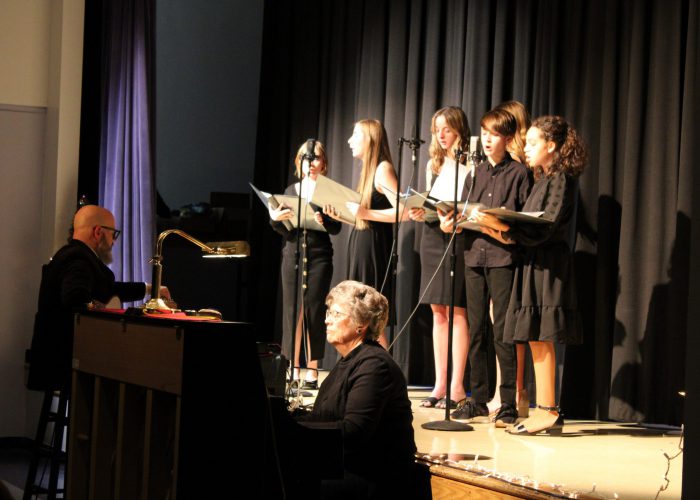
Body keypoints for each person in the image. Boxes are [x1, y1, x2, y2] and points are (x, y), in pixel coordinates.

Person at [479, 115, 587, 435]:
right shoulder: (541, 179)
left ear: (551, 146)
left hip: (549, 264)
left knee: (544, 337)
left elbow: (548, 224)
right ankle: (544, 409)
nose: (526, 149)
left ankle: (549, 409)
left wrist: (508, 228)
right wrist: (501, 226)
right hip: (534, 261)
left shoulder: (561, 178)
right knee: (536, 336)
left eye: (533, 143)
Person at [299, 280, 430, 499]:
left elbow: (353, 432)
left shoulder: (374, 365)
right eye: (328, 313)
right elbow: (322, 419)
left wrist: (295, 432)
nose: (326, 320)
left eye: (336, 314)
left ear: (361, 324)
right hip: (349, 470)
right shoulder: (346, 363)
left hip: (376, 481)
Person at [448, 108, 532, 425]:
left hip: (503, 258)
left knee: (504, 331)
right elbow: (466, 212)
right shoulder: (475, 174)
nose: (486, 139)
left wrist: (498, 223)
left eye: (493, 134)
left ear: (507, 139)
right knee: (477, 328)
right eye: (483, 133)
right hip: (473, 256)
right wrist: (454, 217)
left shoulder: (519, 174)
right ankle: (478, 399)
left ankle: (507, 401)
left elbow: (523, 221)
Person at [27, 204, 169, 392]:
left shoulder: (71, 255)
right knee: (133, 372)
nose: (113, 242)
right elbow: (75, 298)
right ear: (98, 232)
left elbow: (106, 288)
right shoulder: (79, 260)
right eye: (113, 234)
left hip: (52, 356)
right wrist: (104, 309)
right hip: (65, 359)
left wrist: (150, 289)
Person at [408, 106, 470, 409]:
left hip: (458, 236)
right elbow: (433, 202)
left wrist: (455, 217)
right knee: (437, 312)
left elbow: (473, 202)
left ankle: (457, 386)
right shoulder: (434, 163)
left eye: (447, 129)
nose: (441, 135)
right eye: (437, 129)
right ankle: (439, 384)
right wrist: (421, 212)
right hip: (433, 235)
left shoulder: (470, 160)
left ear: (459, 128)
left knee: (457, 310)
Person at [324, 119, 403, 349]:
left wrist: (365, 212)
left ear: (369, 138)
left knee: (368, 315)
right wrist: (343, 215)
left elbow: (403, 210)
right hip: (362, 241)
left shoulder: (382, 169)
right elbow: (366, 214)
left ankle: (382, 370)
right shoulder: (368, 170)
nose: (349, 141)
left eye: (355, 135)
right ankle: (371, 367)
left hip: (374, 246)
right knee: (359, 314)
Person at [269, 141, 341, 388]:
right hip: (293, 256)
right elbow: (283, 228)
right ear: (299, 162)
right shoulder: (291, 189)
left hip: (319, 256)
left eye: (317, 158)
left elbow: (336, 227)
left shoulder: (327, 191)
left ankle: (312, 368)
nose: (311, 163)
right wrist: (275, 219)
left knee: (313, 309)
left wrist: (325, 219)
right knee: (292, 311)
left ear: (324, 163)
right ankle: (293, 368)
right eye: (306, 159)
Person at [494, 100, 532, 417]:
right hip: (496, 244)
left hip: (516, 247)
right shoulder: (500, 160)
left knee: (511, 324)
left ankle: (518, 390)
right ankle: (504, 389)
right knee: (499, 325)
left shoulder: (523, 162)